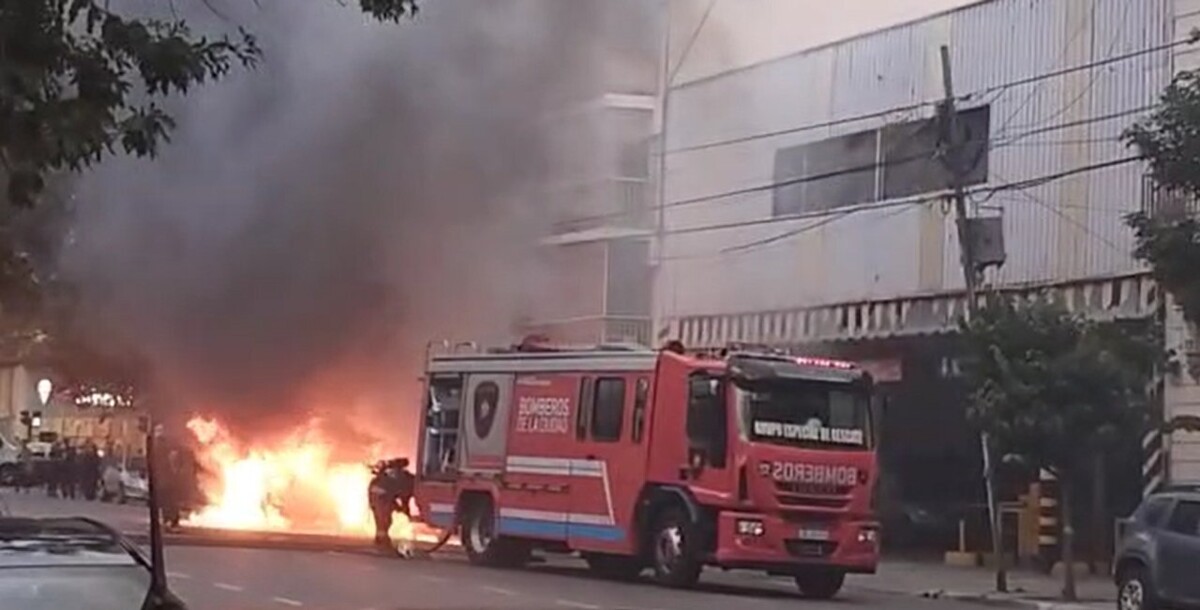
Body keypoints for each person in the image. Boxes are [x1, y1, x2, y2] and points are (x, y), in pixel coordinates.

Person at [368, 458, 414, 555]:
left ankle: (381, 539)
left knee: (382, 519)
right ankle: (381, 540)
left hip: (379, 495)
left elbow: (401, 497)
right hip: (381, 496)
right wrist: (404, 510)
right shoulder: (404, 479)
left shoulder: (394, 475)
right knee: (385, 519)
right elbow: (404, 498)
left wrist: (401, 508)